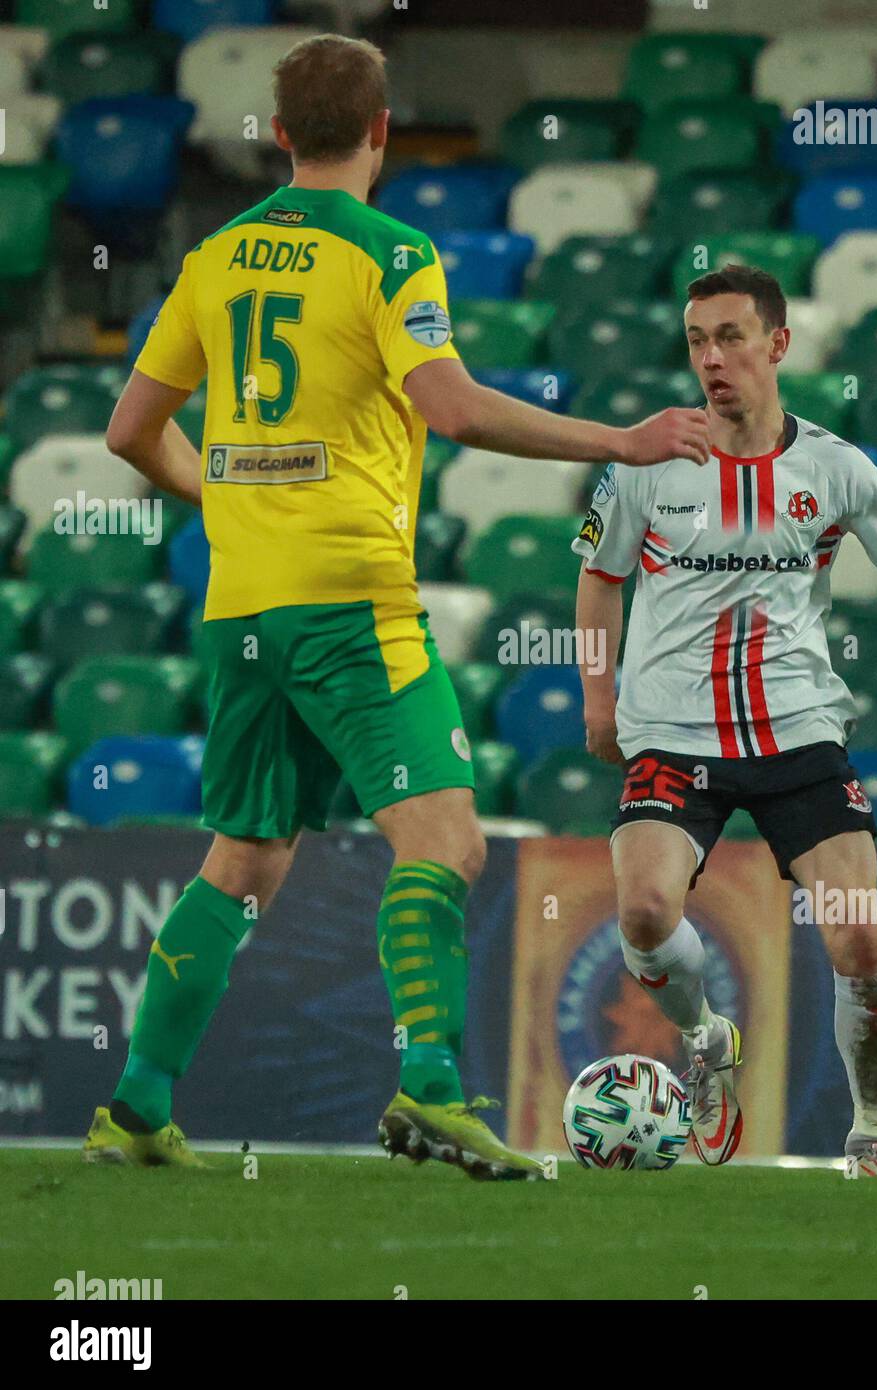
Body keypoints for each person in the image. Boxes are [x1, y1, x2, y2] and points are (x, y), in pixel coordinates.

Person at [83, 33, 710, 1179]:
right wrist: (619, 439)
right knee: (447, 843)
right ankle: (428, 1086)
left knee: (245, 858)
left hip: (241, 608)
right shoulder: (393, 251)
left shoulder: (218, 253)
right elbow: (454, 407)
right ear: (382, 133)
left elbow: (129, 429)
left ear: (277, 134)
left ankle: (134, 1104)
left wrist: (222, 503)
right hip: (348, 597)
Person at [575, 263, 877, 1177]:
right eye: (697, 340)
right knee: (646, 909)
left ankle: (868, 1134)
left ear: (777, 343)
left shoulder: (837, 468)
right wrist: (595, 691)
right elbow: (597, 577)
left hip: (800, 737)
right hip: (673, 733)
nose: (711, 358)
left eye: (730, 336)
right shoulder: (648, 463)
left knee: (860, 940)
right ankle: (703, 1040)